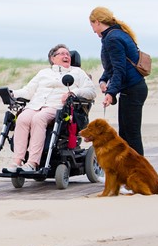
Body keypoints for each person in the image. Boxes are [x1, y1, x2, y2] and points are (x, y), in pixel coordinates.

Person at [6, 44, 96, 172]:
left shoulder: (77, 72)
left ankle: (32, 162)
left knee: (38, 119)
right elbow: (28, 91)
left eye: (68, 54)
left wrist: (73, 92)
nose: (66, 56)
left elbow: (91, 91)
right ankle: (17, 161)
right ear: (52, 58)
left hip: (58, 107)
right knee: (22, 119)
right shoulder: (43, 73)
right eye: (62, 54)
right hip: (36, 104)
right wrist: (12, 93)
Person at [89, 6, 148, 155]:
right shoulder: (116, 34)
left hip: (133, 89)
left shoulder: (112, 38)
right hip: (133, 89)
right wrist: (103, 80)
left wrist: (111, 92)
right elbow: (112, 67)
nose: (93, 30)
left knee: (131, 135)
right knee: (126, 135)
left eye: (92, 26)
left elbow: (119, 69)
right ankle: (130, 172)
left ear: (97, 22)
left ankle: (141, 173)